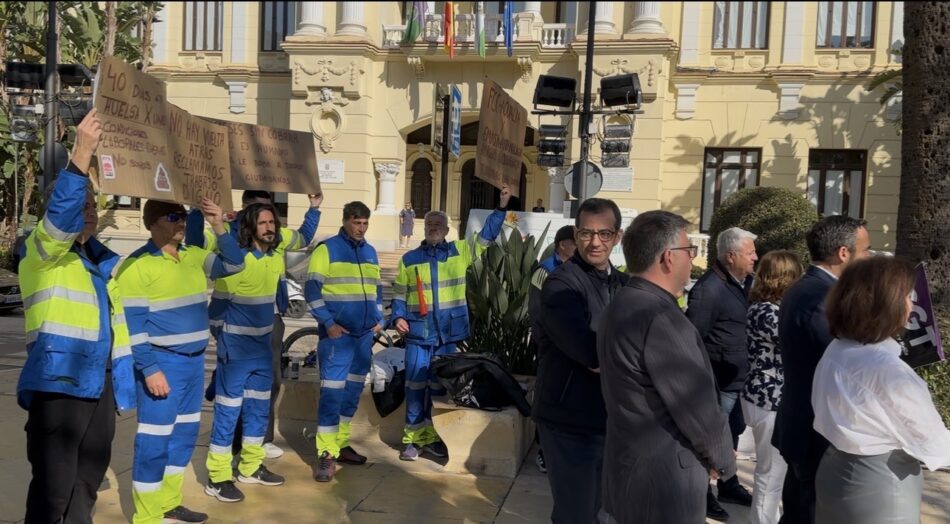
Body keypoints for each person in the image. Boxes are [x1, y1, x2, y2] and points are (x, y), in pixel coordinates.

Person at [17, 109, 136, 524]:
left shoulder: (102, 264)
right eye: (79, 203)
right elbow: (62, 215)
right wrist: (82, 153)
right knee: (53, 492)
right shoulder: (42, 252)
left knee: (86, 484)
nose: (87, 209)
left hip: (100, 385)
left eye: (91, 203)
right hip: (59, 385)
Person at [598, 210, 736, 524]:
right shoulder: (660, 318)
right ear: (668, 258)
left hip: (632, 470)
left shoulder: (620, 304)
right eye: (690, 251)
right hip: (666, 482)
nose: (693, 259)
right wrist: (722, 460)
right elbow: (696, 406)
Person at [117, 197, 246, 524]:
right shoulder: (136, 266)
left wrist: (218, 225)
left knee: (184, 437)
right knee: (154, 442)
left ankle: (169, 503)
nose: (182, 223)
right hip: (162, 365)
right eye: (175, 216)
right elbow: (133, 327)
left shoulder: (193, 255)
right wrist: (149, 370)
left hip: (192, 365)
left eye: (185, 217)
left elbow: (234, 265)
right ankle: (146, 517)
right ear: (153, 222)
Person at [813, 256, 950, 523]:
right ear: (886, 304)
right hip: (879, 485)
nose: (912, 305)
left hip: (835, 470)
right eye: (907, 296)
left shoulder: (838, 349)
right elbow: (933, 443)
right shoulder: (886, 369)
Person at [390, 186, 511, 461]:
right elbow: (398, 293)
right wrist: (397, 316)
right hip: (419, 333)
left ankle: (435, 437)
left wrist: (501, 207)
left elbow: (487, 236)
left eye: (438, 225)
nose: (433, 228)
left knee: (440, 388)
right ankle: (412, 439)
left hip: (449, 336)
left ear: (446, 230)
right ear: (424, 229)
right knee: (415, 385)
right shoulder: (409, 260)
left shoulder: (461, 252)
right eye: (429, 224)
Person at [202, 189, 322, 460]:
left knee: (267, 384)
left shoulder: (275, 238)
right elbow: (198, 245)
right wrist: (215, 222)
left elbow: (302, 236)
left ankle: (259, 442)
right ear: (244, 210)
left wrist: (314, 207)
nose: (267, 221)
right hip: (233, 327)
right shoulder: (228, 236)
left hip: (269, 320)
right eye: (257, 212)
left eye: (269, 213)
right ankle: (230, 449)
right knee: (232, 394)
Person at [189, 202, 295, 504]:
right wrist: (227, 347)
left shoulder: (274, 261)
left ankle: (249, 467)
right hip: (235, 355)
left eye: (272, 222)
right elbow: (215, 314)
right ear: (250, 228)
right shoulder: (236, 264)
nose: (270, 228)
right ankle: (218, 477)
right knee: (227, 414)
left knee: (258, 412)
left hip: (261, 354)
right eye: (263, 223)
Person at [533, 198, 629, 523]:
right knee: (576, 514)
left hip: (607, 419)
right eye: (587, 233)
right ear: (576, 234)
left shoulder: (622, 285)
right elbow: (591, 354)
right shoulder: (562, 285)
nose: (595, 242)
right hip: (569, 422)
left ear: (617, 236)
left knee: (603, 513)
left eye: (604, 233)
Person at [772, 215, 871, 524]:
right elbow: (845, 367)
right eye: (866, 250)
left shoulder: (810, 288)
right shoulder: (821, 298)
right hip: (816, 435)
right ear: (844, 253)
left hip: (807, 429)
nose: (869, 258)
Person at [307, 201, 384, 482]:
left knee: (351, 395)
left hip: (364, 337)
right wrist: (328, 323)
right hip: (337, 338)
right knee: (332, 395)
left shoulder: (370, 251)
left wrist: (379, 318)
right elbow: (311, 290)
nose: (361, 228)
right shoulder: (326, 249)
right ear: (345, 220)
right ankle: (326, 454)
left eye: (365, 223)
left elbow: (376, 290)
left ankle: (339, 445)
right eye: (356, 222)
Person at [685, 227, 758, 520]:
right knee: (711, 441)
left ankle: (729, 484)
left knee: (732, 435)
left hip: (738, 380)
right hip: (718, 383)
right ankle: (703, 495)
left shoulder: (744, 283)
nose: (755, 257)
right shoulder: (708, 290)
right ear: (731, 256)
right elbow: (693, 339)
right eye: (750, 252)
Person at [741, 250, 803, 524]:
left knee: (772, 473)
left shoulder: (760, 307)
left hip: (760, 395)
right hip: (770, 400)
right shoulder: (771, 313)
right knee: (771, 475)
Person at [527, 224, 576, 473]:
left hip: (573, 350)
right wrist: (546, 343)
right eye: (575, 241)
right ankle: (544, 451)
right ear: (562, 245)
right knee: (548, 398)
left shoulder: (578, 269)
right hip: (550, 349)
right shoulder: (545, 271)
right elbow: (536, 312)